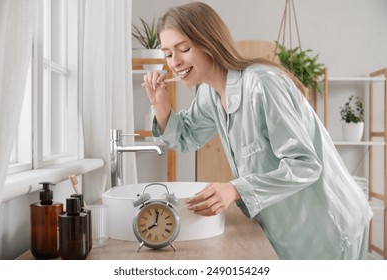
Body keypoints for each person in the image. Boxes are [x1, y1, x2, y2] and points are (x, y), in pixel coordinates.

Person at [142, 2, 372, 260]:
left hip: (328, 225)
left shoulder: (263, 84)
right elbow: (186, 138)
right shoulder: (209, 93)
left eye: (184, 49)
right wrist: (159, 104)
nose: (175, 62)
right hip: (289, 228)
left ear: (209, 42)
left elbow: (305, 164)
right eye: (168, 54)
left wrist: (235, 189)